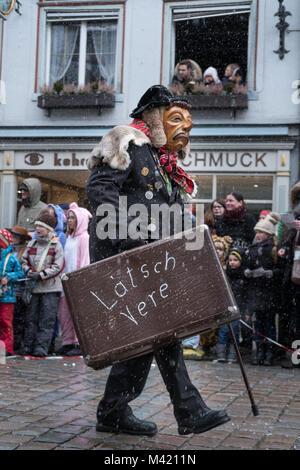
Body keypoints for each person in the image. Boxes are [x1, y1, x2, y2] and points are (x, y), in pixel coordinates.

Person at [86, 84, 230, 436]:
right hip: (127, 258)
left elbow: (170, 216)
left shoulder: (164, 164)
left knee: (154, 335)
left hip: (155, 262)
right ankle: (187, 411)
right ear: (154, 117)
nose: (184, 129)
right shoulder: (126, 144)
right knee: (160, 333)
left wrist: (193, 245)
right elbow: (99, 192)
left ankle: (115, 411)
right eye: (174, 119)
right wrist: (131, 236)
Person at [21, 212, 65, 357]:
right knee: (31, 319)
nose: (37, 229)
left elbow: (58, 266)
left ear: (48, 228)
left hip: (50, 288)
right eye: (37, 226)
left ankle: (41, 348)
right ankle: (28, 346)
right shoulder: (32, 244)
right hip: (35, 288)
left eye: (40, 226)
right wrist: (29, 271)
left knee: (47, 319)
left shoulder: (56, 244)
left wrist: (41, 275)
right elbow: (24, 261)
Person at [244, 212, 281, 366]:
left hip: (269, 293)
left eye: (261, 232)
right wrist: (247, 271)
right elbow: (248, 265)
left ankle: (269, 352)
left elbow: (281, 270)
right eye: (257, 232)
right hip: (255, 293)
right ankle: (260, 351)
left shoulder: (273, 249)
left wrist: (269, 273)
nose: (258, 235)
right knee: (258, 324)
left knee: (269, 324)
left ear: (268, 234)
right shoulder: (252, 248)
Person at [56, 202, 92, 357]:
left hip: (76, 283)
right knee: (65, 313)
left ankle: (78, 342)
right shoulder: (68, 238)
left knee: (78, 314)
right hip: (65, 282)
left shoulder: (84, 238)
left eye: (72, 218)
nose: (69, 220)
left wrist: (79, 280)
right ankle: (67, 341)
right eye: (68, 217)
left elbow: (85, 261)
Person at [278, 181, 300, 368]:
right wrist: (283, 248)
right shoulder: (292, 215)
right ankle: (292, 356)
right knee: (291, 317)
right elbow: (285, 241)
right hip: (291, 275)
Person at [215, 247, 246, 364]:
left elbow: (244, 295)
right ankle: (221, 355)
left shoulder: (243, 276)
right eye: (230, 260)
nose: (232, 262)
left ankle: (233, 355)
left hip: (237, 308)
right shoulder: (226, 274)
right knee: (223, 331)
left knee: (234, 331)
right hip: (226, 307)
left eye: (235, 260)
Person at [0, 229, 24, 356]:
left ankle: (7, 348)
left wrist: (8, 277)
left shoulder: (12, 258)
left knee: (6, 322)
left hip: (7, 296)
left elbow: (20, 273)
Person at [10, 226, 32, 354]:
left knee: (19, 319)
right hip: (9, 291)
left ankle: (17, 342)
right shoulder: (9, 251)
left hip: (19, 291)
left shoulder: (24, 251)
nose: (13, 239)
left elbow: (22, 271)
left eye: (15, 237)